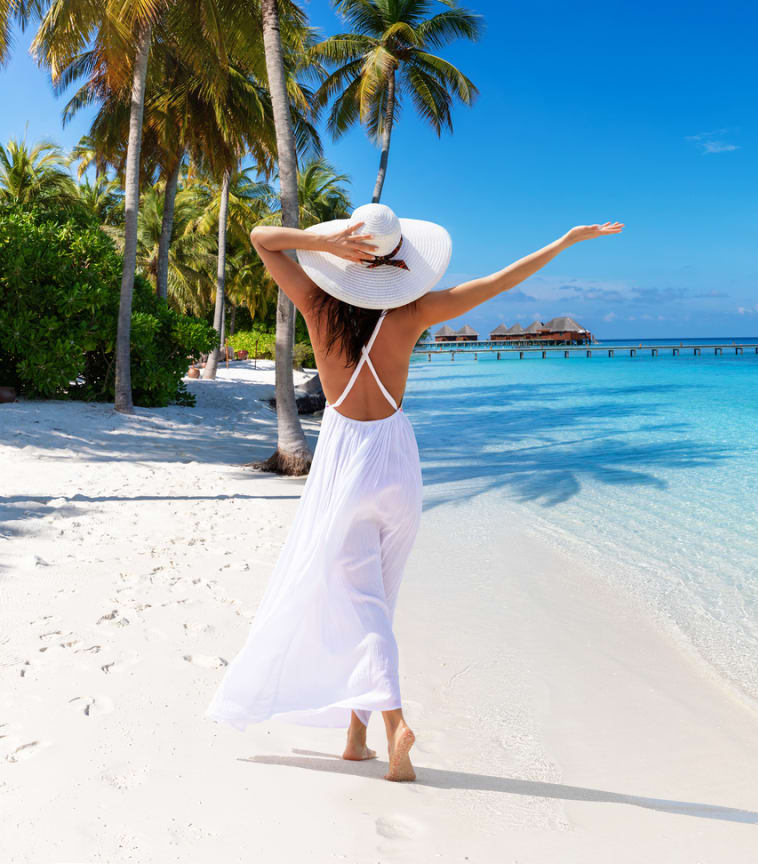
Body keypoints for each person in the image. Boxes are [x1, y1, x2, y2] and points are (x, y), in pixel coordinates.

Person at [205, 202, 622, 781]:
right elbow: (501, 281)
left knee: (362, 602)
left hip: (346, 457)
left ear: (349, 260)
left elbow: (261, 237)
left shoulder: (317, 307)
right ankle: (355, 737)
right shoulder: (416, 312)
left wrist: (326, 246)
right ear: (401, 258)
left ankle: (393, 722)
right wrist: (564, 242)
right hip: (397, 462)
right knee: (380, 599)